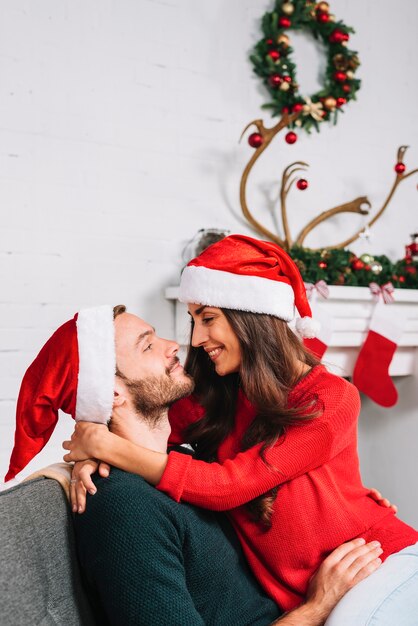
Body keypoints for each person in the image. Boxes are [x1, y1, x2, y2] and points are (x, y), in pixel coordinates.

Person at [62, 235, 418, 625]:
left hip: (376, 563)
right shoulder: (216, 400)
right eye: (194, 320)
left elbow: (227, 485)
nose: (195, 339)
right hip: (316, 597)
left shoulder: (331, 397)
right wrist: (90, 452)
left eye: (208, 318)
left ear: (252, 316)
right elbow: (141, 418)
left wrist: (105, 447)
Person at [4, 305, 383, 626]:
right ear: (113, 393)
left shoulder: (189, 461)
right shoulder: (126, 507)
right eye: (148, 345)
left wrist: (352, 501)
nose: (176, 347)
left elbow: (243, 482)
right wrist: (318, 607)